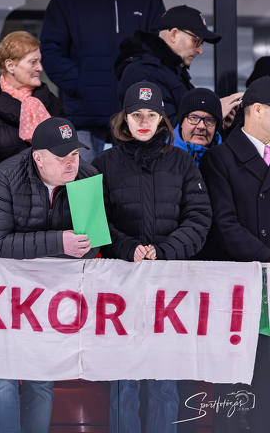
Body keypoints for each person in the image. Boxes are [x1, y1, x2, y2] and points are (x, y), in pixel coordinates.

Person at [92, 81, 211, 433]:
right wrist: (126, 247)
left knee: (164, 384)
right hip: (120, 288)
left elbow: (199, 218)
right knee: (124, 385)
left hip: (169, 288)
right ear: (124, 118)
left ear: (161, 119)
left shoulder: (182, 162)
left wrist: (165, 250)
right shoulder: (103, 163)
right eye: (136, 115)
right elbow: (94, 223)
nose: (143, 122)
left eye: (151, 115)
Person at [0, 116, 98, 433]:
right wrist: (59, 242)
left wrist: (69, 247)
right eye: (62, 157)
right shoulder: (5, 176)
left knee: (41, 379)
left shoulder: (87, 177)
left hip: (52, 294)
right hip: (4, 292)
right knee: (2, 378)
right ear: (38, 158)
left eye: (75, 153)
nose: (72, 163)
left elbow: (93, 244)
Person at [40, 0, 165, 162]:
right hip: (84, 116)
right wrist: (80, 83)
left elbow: (160, 48)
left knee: (133, 183)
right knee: (85, 183)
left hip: (134, 114)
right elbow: (50, 47)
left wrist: (143, 84)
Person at [200, 75, 270, 432]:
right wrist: (266, 259)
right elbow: (224, 225)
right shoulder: (219, 158)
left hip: (267, 285)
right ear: (257, 110)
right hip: (238, 285)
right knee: (235, 381)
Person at [0, 31, 65, 178]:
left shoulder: (52, 103)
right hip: (1, 191)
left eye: (40, 61)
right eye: (33, 62)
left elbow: (68, 153)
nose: (40, 68)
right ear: (10, 65)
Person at [115, 5, 221, 126]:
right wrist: (210, 115)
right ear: (174, 34)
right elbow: (162, 129)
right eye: (196, 41)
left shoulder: (173, 70)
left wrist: (216, 120)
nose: (200, 50)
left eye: (202, 43)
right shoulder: (142, 72)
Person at [172, 88, 224, 166]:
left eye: (209, 120)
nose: (201, 126)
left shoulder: (226, 161)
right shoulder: (160, 155)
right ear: (181, 122)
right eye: (194, 118)